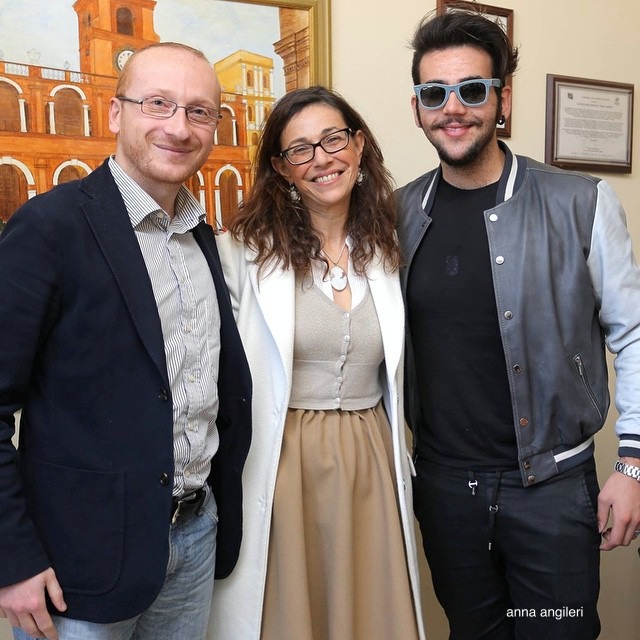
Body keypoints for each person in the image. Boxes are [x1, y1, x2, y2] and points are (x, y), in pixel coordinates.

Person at [395, 9, 640, 640]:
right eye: (434, 93)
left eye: (473, 90)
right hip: (446, 492)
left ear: (502, 100)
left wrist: (633, 464)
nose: (454, 108)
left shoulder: (580, 202)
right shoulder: (396, 215)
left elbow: (634, 334)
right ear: (418, 108)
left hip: (551, 491)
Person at [0, 42, 251, 640]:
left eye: (198, 111)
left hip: (195, 539)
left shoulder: (201, 236)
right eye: (157, 103)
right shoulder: (49, 228)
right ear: (116, 113)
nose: (179, 128)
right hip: (79, 562)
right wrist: (12, 558)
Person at [207, 86, 425, 640]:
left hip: (371, 457)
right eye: (300, 149)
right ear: (281, 168)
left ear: (358, 145)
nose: (321, 158)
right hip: (282, 461)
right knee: (291, 613)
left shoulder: (390, 245)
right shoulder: (242, 251)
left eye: (333, 139)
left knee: (370, 611)